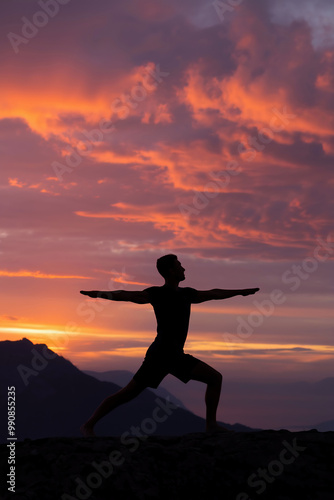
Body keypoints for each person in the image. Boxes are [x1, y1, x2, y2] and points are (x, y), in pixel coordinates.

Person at [80, 254, 259, 436]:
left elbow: (214, 294)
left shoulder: (186, 294)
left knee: (213, 379)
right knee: (128, 394)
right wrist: (99, 294)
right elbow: (128, 295)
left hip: (173, 354)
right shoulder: (157, 294)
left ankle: (211, 426)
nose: (184, 268)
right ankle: (89, 424)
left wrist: (240, 292)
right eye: (180, 265)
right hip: (161, 354)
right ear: (171, 271)